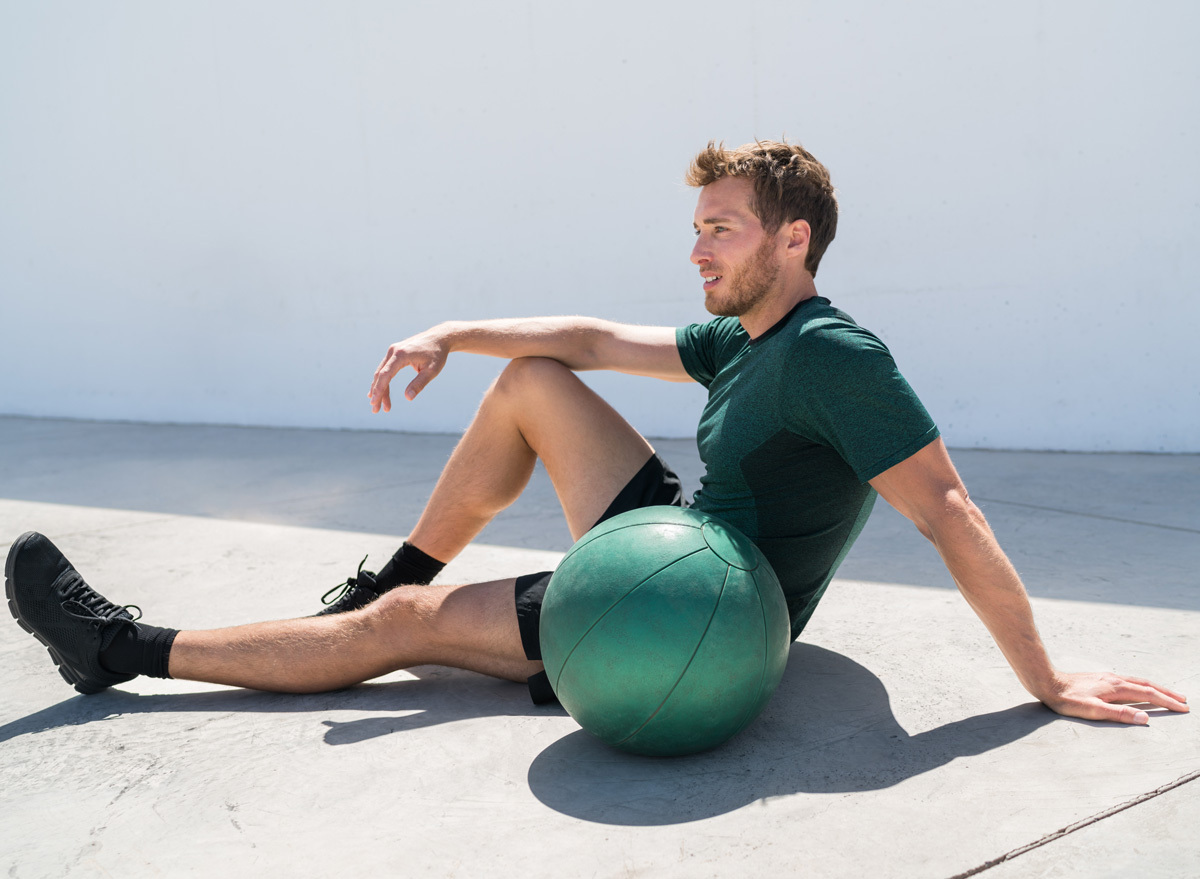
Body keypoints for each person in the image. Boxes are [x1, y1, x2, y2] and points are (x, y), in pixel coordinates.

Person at [6, 140, 1187, 725]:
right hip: (681, 541)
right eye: (697, 227)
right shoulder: (748, 340)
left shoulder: (836, 355)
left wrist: (1048, 678)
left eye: (721, 229)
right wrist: (444, 330)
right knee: (532, 378)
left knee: (409, 635)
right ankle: (384, 584)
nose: (697, 250)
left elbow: (948, 510)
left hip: (703, 612)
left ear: (793, 241)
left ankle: (122, 650)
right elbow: (582, 338)